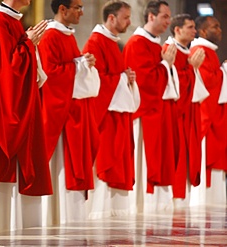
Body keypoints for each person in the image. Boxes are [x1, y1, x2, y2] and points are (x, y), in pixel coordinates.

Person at [0, 0, 53, 233]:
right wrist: (28, 44)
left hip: (25, 102)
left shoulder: (13, 21)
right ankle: (5, 226)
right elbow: (7, 69)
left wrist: (27, 43)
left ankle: (21, 226)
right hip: (8, 105)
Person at [39, 0, 100, 224]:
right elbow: (49, 75)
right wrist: (79, 65)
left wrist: (84, 63)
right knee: (60, 166)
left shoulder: (67, 34)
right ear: (62, 9)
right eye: (77, 7)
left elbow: (71, 66)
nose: (82, 12)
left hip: (72, 110)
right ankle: (55, 216)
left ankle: (68, 216)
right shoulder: (50, 35)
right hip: (59, 114)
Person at [82, 0, 140, 216]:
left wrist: (127, 78)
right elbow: (94, 81)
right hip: (105, 117)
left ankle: (112, 211)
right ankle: (98, 212)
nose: (129, 22)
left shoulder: (112, 43)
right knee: (105, 160)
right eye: (126, 17)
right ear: (111, 18)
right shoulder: (95, 42)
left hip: (117, 114)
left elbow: (113, 77)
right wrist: (122, 78)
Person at [123, 0, 178, 212]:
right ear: (151, 16)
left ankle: (154, 205)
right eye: (165, 16)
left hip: (157, 112)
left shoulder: (155, 44)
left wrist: (166, 66)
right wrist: (165, 65)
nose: (168, 21)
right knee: (144, 161)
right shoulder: (137, 43)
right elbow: (144, 82)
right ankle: (140, 205)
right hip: (145, 115)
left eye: (169, 17)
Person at [163, 14, 207, 206]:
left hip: (188, 115)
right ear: (177, 30)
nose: (194, 31)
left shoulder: (187, 53)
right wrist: (191, 69)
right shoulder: (168, 51)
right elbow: (172, 85)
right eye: (190, 27)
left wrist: (192, 68)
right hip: (175, 116)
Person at [190, 15, 227, 205]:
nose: (219, 30)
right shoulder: (199, 50)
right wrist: (224, 72)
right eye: (215, 26)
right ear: (203, 31)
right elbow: (204, 82)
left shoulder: (209, 51)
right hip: (206, 115)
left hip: (215, 115)